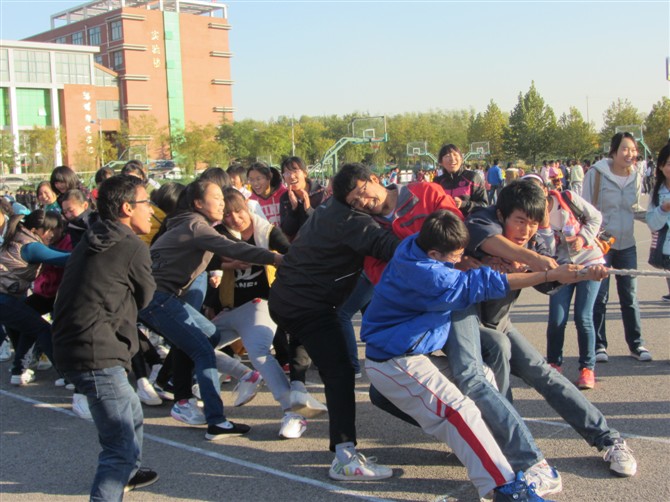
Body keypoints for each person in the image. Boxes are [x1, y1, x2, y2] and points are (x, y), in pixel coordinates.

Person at [362, 210, 573, 500]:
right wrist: (549, 275)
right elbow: (487, 284)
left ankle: (487, 452)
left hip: (411, 354)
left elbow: (471, 269)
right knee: (460, 411)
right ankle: (505, 488)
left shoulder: (416, 243)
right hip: (394, 362)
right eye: (456, 255)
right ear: (434, 253)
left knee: (483, 378)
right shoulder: (429, 276)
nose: (461, 259)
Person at [465, 180, 638, 479]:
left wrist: (587, 273)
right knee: (497, 351)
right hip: (463, 325)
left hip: (499, 322)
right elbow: (490, 241)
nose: (526, 230)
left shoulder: (537, 240)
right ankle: (512, 448)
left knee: (544, 374)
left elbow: (551, 279)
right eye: (520, 221)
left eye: (533, 223)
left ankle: (607, 438)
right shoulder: (483, 219)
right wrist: (534, 260)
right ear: (502, 214)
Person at [268, 163, 400, 481]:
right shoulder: (351, 221)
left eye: (362, 193)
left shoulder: (332, 208)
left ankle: (297, 393)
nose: (362, 201)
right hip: (307, 304)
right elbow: (391, 248)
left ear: (374, 179)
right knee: (339, 372)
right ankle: (344, 457)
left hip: (289, 297)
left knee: (324, 356)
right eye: (355, 199)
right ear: (344, 199)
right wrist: (437, 240)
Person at [138, 178, 281, 440]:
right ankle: (215, 420)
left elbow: (216, 255)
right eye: (216, 198)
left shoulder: (187, 223)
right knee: (202, 349)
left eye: (222, 198)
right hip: (157, 299)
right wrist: (275, 258)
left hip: (165, 297)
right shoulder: (196, 225)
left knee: (210, 335)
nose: (222, 203)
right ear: (198, 203)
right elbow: (233, 248)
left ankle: (187, 398)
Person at [52, 175, 159, 500]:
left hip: (71, 347)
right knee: (119, 447)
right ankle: (120, 473)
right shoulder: (131, 246)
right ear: (127, 208)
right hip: (97, 353)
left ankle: (129, 471)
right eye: (146, 202)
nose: (151, 210)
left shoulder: (91, 237)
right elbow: (146, 296)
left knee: (132, 410)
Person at [521, 174, 605, 389]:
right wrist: (545, 226)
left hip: (589, 261)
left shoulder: (567, 197)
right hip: (561, 268)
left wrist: (583, 238)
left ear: (544, 188)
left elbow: (595, 217)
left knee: (583, 317)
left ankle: (587, 368)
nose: (534, 194)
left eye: (537, 189)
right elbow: (547, 251)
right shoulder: (532, 217)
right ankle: (553, 364)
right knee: (557, 319)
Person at [582, 132, 651, 362]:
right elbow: (584, 208)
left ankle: (636, 344)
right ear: (613, 151)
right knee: (600, 296)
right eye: (624, 149)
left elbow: (635, 208)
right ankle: (600, 345)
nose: (629, 154)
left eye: (633, 149)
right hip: (602, 245)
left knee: (629, 296)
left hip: (627, 244)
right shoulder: (596, 173)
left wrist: (657, 217)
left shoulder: (636, 175)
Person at [0, 210, 68, 386]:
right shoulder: (31, 246)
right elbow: (64, 258)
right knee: (43, 329)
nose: (52, 234)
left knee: (31, 325)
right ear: (35, 230)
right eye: (48, 230)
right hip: (3, 298)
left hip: (7, 298)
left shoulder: (18, 237)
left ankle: (19, 370)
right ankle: (69, 376)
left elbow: (52, 251)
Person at [433, 143, 488, 216]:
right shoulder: (437, 182)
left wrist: (464, 204)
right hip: (445, 222)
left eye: (455, 155)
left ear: (461, 159)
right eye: (447, 156)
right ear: (441, 162)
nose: (452, 159)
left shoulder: (473, 177)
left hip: (468, 222)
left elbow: (484, 205)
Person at [278, 156, 326, 240]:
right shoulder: (285, 198)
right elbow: (288, 231)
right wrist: (294, 209)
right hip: (298, 245)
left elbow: (325, 225)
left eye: (295, 171)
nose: (292, 176)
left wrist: (308, 209)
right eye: (287, 173)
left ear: (305, 173)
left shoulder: (321, 193)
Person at [646, 141, 670, 301]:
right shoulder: (657, 192)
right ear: (661, 166)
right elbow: (652, 224)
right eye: (669, 164)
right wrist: (663, 209)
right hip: (666, 248)